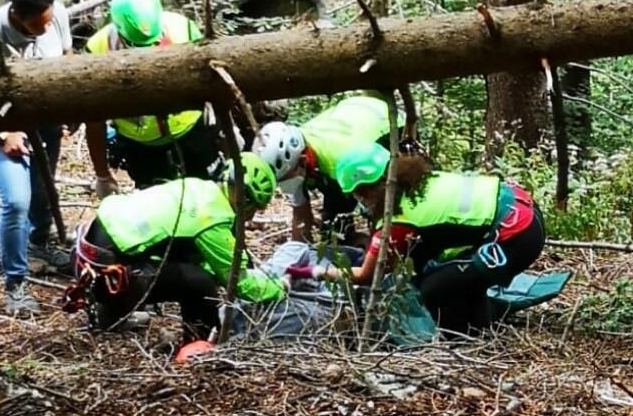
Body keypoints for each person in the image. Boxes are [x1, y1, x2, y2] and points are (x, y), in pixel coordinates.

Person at [290, 143, 544, 333]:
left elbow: (365, 275)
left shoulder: (399, 219)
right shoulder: (418, 181)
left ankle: (464, 344)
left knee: (433, 290)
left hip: (516, 234)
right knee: (449, 275)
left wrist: (307, 271)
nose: (360, 202)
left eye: (358, 195)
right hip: (521, 208)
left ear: (367, 189)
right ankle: (480, 325)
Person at [68, 152, 288, 341]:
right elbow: (241, 285)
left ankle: (112, 313)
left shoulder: (198, 187)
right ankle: (198, 343)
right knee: (199, 282)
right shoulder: (212, 218)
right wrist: (281, 287)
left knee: (185, 264)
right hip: (108, 276)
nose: (250, 217)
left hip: (87, 255)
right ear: (245, 199)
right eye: (254, 209)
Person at [83, 0, 218, 194]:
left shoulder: (184, 29)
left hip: (192, 130)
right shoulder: (98, 48)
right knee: (158, 204)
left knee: (209, 193)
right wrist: (102, 174)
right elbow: (93, 119)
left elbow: (211, 81)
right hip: (140, 145)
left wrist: (228, 126)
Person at [0, 0, 74, 313]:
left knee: (43, 190)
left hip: (45, 118)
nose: (47, 26)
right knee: (17, 200)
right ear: (18, 16)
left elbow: (69, 56)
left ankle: (39, 244)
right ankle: (16, 282)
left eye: (49, 19)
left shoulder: (57, 16)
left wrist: (74, 102)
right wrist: (4, 133)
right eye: (39, 25)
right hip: (2, 123)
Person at [253, 95, 403, 244]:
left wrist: (375, 247)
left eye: (289, 179)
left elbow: (379, 204)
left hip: (387, 127)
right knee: (334, 235)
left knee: (389, 211)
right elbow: (300, 213)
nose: (288, 185)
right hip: (349, 126)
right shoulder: (296, 160)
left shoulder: (343, 160)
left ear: (303, 160)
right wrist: (297, 254)